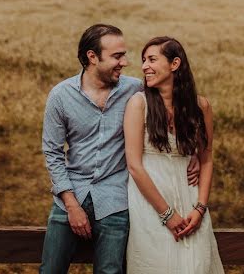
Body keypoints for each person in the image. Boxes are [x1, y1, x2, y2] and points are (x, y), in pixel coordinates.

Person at [40, 24, 198, 274]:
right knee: (50, 270)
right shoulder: (61, 96)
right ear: (92, 57)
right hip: (70, 196)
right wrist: (71, 206)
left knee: (111, 272)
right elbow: (52, 152)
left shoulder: (136, 90)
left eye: (124, 55)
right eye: (117, 56)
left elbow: (178, 106)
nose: (125, 62)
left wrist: (193, 154)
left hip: (116, 199)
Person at [124, 36, 223, 274]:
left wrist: (200, 208)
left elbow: (207, 157)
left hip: (190, 199)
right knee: (156, 263)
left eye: (152, 59)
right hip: (150, 200)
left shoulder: (200, 107)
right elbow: (135, 166)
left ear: (175, 64)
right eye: (143, 60)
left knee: (196, 265)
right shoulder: (139, 104)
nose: (145, 66)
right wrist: (167, 214)